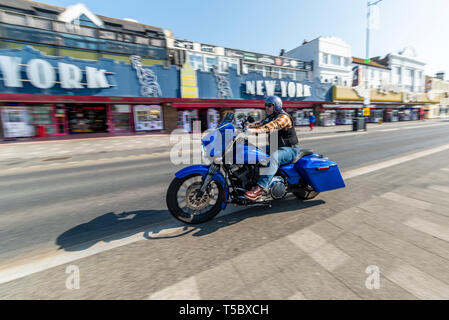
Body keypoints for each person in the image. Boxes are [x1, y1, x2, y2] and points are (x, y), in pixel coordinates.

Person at [244, 96, 300, 201]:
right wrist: (246, 128)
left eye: (269, 105)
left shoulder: (284, 117)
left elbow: (273, 125)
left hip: (289, 149)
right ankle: (251, 178)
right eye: (265, 105)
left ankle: (259, 189)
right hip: (275, 146)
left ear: (277, 106)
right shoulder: (269, 117)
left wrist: (256, 131)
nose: (266, 108)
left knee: (274, 157)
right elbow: (259, 124)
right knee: (252, 151)